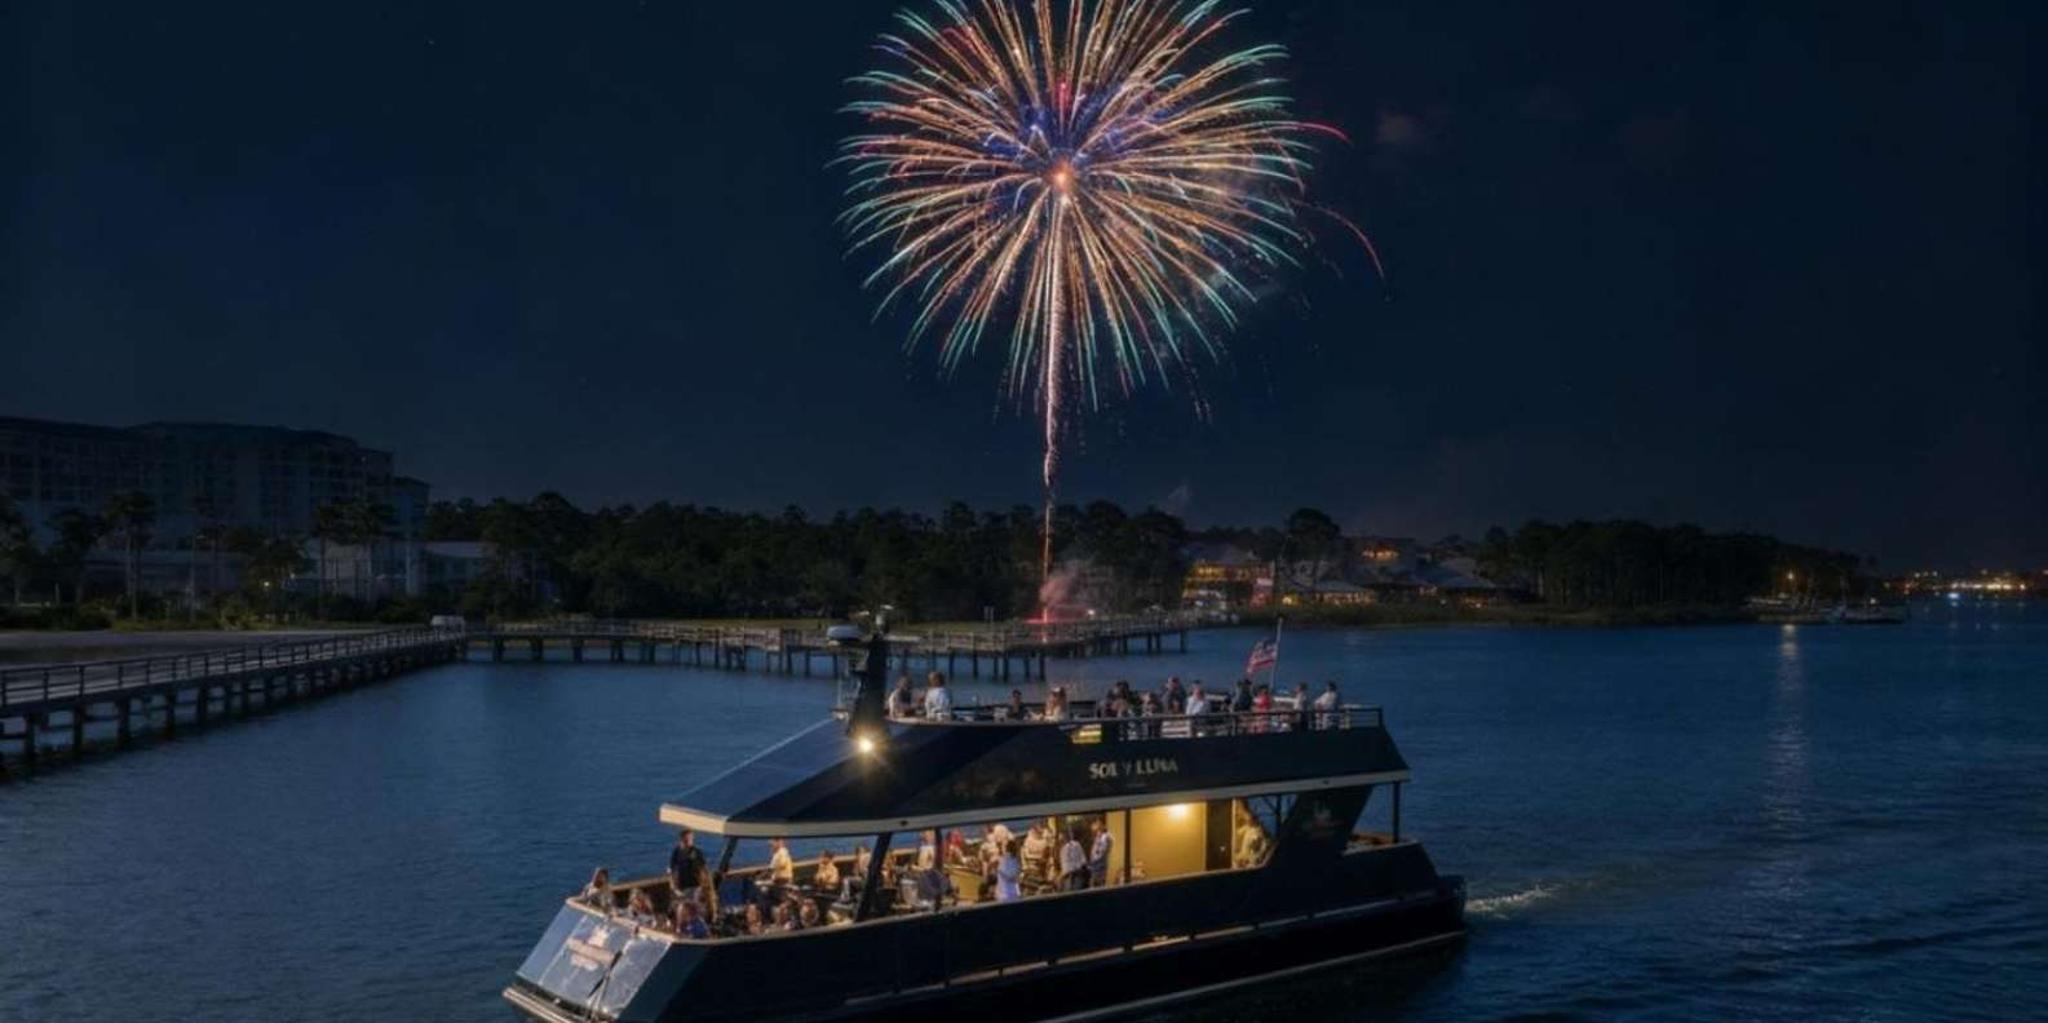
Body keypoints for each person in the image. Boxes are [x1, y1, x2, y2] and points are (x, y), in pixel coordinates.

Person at [668, 829, 708, 899]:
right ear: (681, 839)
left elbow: (703, 869)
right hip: (681, 886)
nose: (689, 841)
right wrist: (673, 885)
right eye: (687, 839)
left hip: (695, 886)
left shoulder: (697, 852)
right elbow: (671, 869)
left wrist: (704, 886)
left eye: (691, 839)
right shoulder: (676, 852)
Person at [1058, 827, 1088, 892]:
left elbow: (1066, 869)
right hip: (1080, 875)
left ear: (1063, 837)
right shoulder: (1077, 844)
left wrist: (1059, 878)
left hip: (1070, 879)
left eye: (1060, 836)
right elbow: (1084, 861)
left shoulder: (1064, 849)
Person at [1088, 818, 1115, 888]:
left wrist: (1093, 863)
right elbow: (1095, 850)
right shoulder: (1099, 836)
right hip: (1095, 866)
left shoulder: (1106, 837)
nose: (1097, 826)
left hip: (1099, 866)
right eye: (1097, 824)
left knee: (1099, 886)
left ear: (1103, 825)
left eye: (1099, 824)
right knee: (1094, 886)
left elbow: (1101, 852)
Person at [995, 838, 1023, 902]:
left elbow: (1010, 876)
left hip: (1008, 894)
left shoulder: (1008, 860)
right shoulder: (1007, 859)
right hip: (1006, 893)